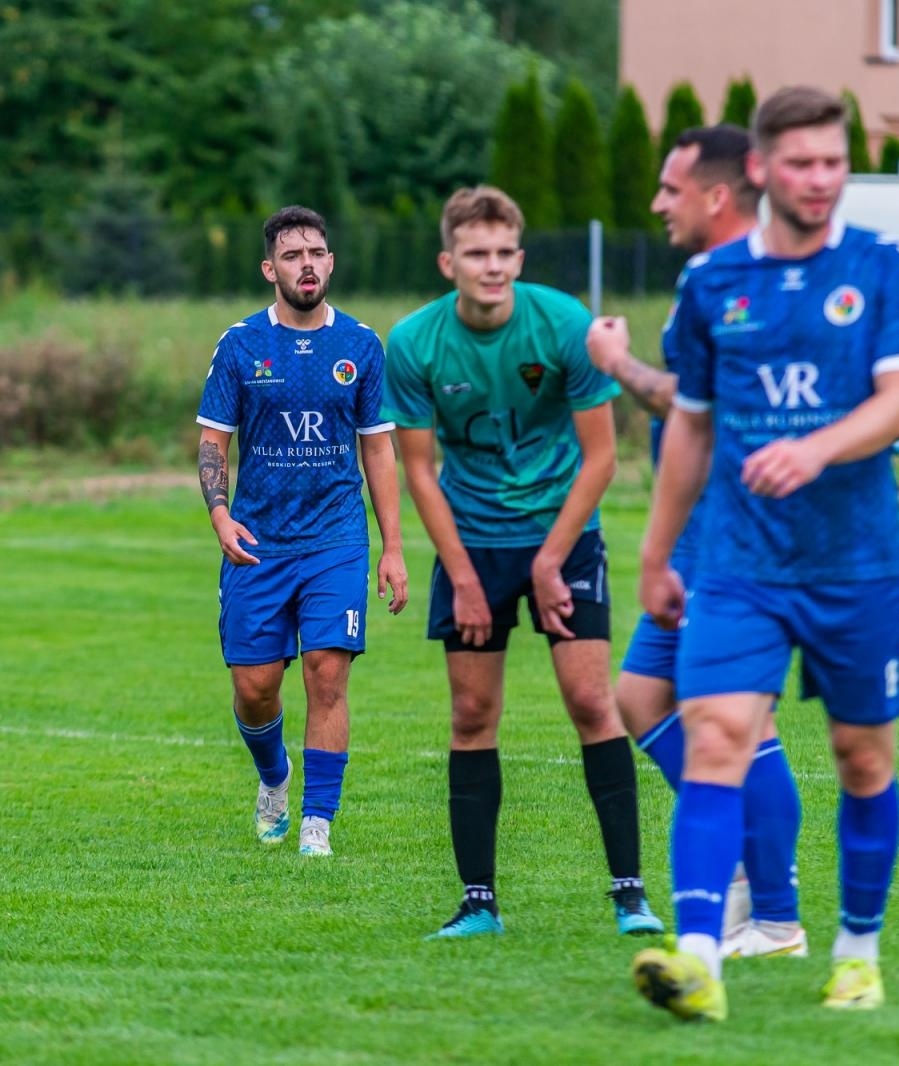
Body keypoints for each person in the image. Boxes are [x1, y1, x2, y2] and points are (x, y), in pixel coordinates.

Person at [628, 87, 899, 1021]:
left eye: (833, 163)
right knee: (716, 736)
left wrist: (817, 446)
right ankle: (698, 962)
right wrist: (654, 554)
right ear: (761, 169)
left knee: (862, 759)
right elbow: (689, 426)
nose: (820, 180)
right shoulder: (712, 284)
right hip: (738, 564)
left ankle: (856, 953)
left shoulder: (881, 266)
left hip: (857, 563)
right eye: (801, 163)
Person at [382, 186, 661, 939]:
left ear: (521, 258)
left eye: (505, 252)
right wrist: (465, 578)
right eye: (476, 253)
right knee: (472, 714)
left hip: (563, 533)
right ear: (449, 262)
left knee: (590, 700)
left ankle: (630, 895)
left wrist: (550, 559)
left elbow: (602, 459)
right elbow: (417, 469)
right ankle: (478, 904)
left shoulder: (564, 322)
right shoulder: (412, 343)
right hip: (470, 539)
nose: (493, 266)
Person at [585, 125, 806, 960]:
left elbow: (695, 405)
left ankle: (776, 917)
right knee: (642, 700)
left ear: (716, 195)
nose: (656, 203)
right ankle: (748, 869)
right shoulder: (705, 279)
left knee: (739, 720)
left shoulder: (747, 278)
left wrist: (617, 362)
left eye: (670, 188)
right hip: (701, 533)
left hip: (743, 535)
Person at [195, 205, 408, 858]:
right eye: (292, 255)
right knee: (255, 690)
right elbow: (213, 444)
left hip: (336, 540)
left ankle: (318, 824)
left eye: (316, 252)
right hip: (258, 544)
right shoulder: (240, 346)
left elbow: (377, 449)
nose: (307, 264)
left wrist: (393, 547)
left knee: (326, 673)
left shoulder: (361, 347)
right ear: (270, 269)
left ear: (331, 262)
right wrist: (221, 515)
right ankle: (274, 778)